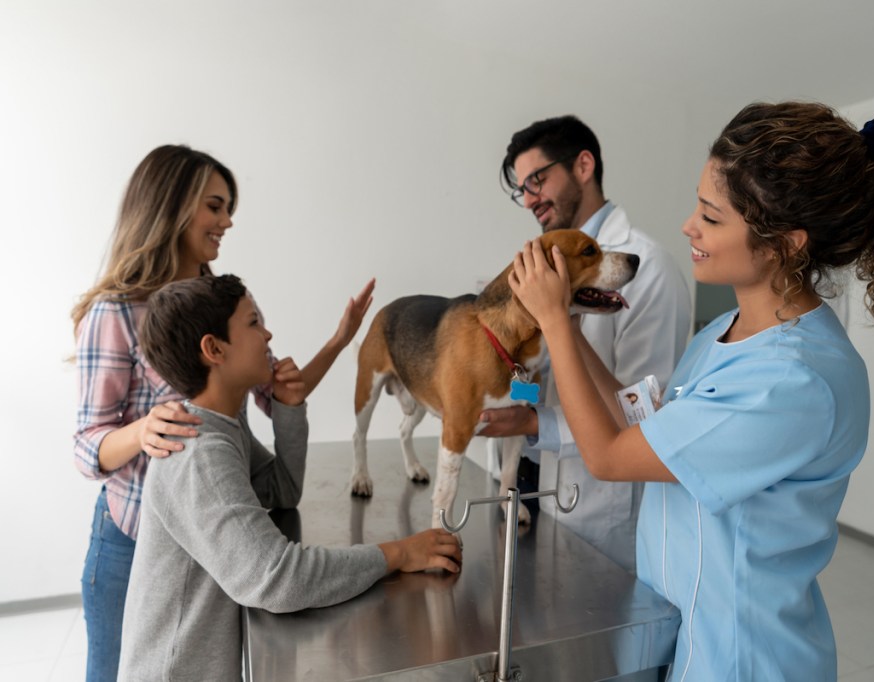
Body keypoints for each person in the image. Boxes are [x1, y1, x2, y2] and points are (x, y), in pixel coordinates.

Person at [506, 102, 874, 680]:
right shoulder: (724, 331)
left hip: (740, 655)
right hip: (680, 626)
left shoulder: (794, 378)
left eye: (711, 218)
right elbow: (648, 426)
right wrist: (566, 320)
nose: (689, 225)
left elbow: (612, 457)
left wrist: (557, 326)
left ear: (785, 244)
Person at [71, 144, 374, 682]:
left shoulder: (222, 301)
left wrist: (338, 343)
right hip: (131, 539)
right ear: (173, 206)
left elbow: (277, 390)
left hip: (208, 539)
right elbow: (87, 445)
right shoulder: (116, 312)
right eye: (215, 206)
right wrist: (144, 429)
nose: (227, 221)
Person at [116, 273, 460, 680]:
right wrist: (398, 553)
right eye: (253, 322)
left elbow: (281, 489)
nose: (268, 333)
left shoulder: (222, 426)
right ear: (214, 349)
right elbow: (276, 579)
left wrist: (290, 409)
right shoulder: (199, 453)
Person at [479, 115, 691, 570]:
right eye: (523, 190)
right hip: (536, 492)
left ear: (583, 165)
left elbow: (644, 416)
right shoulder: (547, 268)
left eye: (538, 180)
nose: (531, 199)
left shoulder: (648, 268)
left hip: (601, 517)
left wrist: (536, 423)